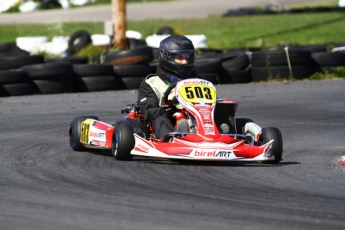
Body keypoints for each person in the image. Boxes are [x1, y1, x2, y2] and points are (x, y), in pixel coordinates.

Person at [137, 35, 199, 139]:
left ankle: (225, 136)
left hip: (198, 118)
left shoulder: (199, 81)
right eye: (179, 57)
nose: (185, 62)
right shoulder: (152, 83)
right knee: (161, 119)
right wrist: (163, 111)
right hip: (170, 120)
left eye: (187, 57)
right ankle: (170, 139)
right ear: (166, 57)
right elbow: (148, 111)